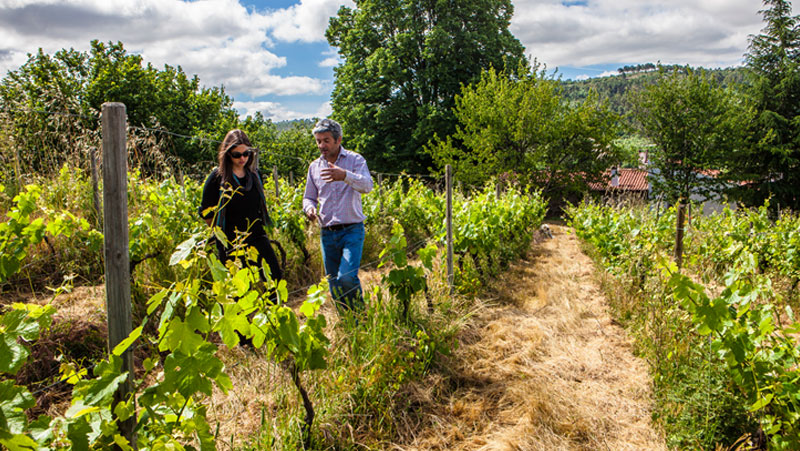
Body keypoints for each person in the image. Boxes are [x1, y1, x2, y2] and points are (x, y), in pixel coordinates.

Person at [303, 118, 373, 311]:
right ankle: (346, 322)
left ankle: (359, 314)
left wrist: (345, 176)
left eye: (326, 140)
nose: (321, 145)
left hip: (352, 230)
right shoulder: (314, 167)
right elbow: (308, 197)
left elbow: (367, 186)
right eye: (318, 141)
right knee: (334, 284)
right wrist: (309, 209)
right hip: (327, 233)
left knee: (347, 277)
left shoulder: (355, 160)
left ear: (338, 140)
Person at [199, 129, 283, 285]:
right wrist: (221, 236)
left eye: (246, 153)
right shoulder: (217, 178)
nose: (242, 158)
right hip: (230, 242)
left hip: (256, 235)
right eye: (237, 155)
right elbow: (206, 213)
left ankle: (274, 308)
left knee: (274, 278)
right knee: (238, 290)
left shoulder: (254, 175)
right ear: (227, 154)